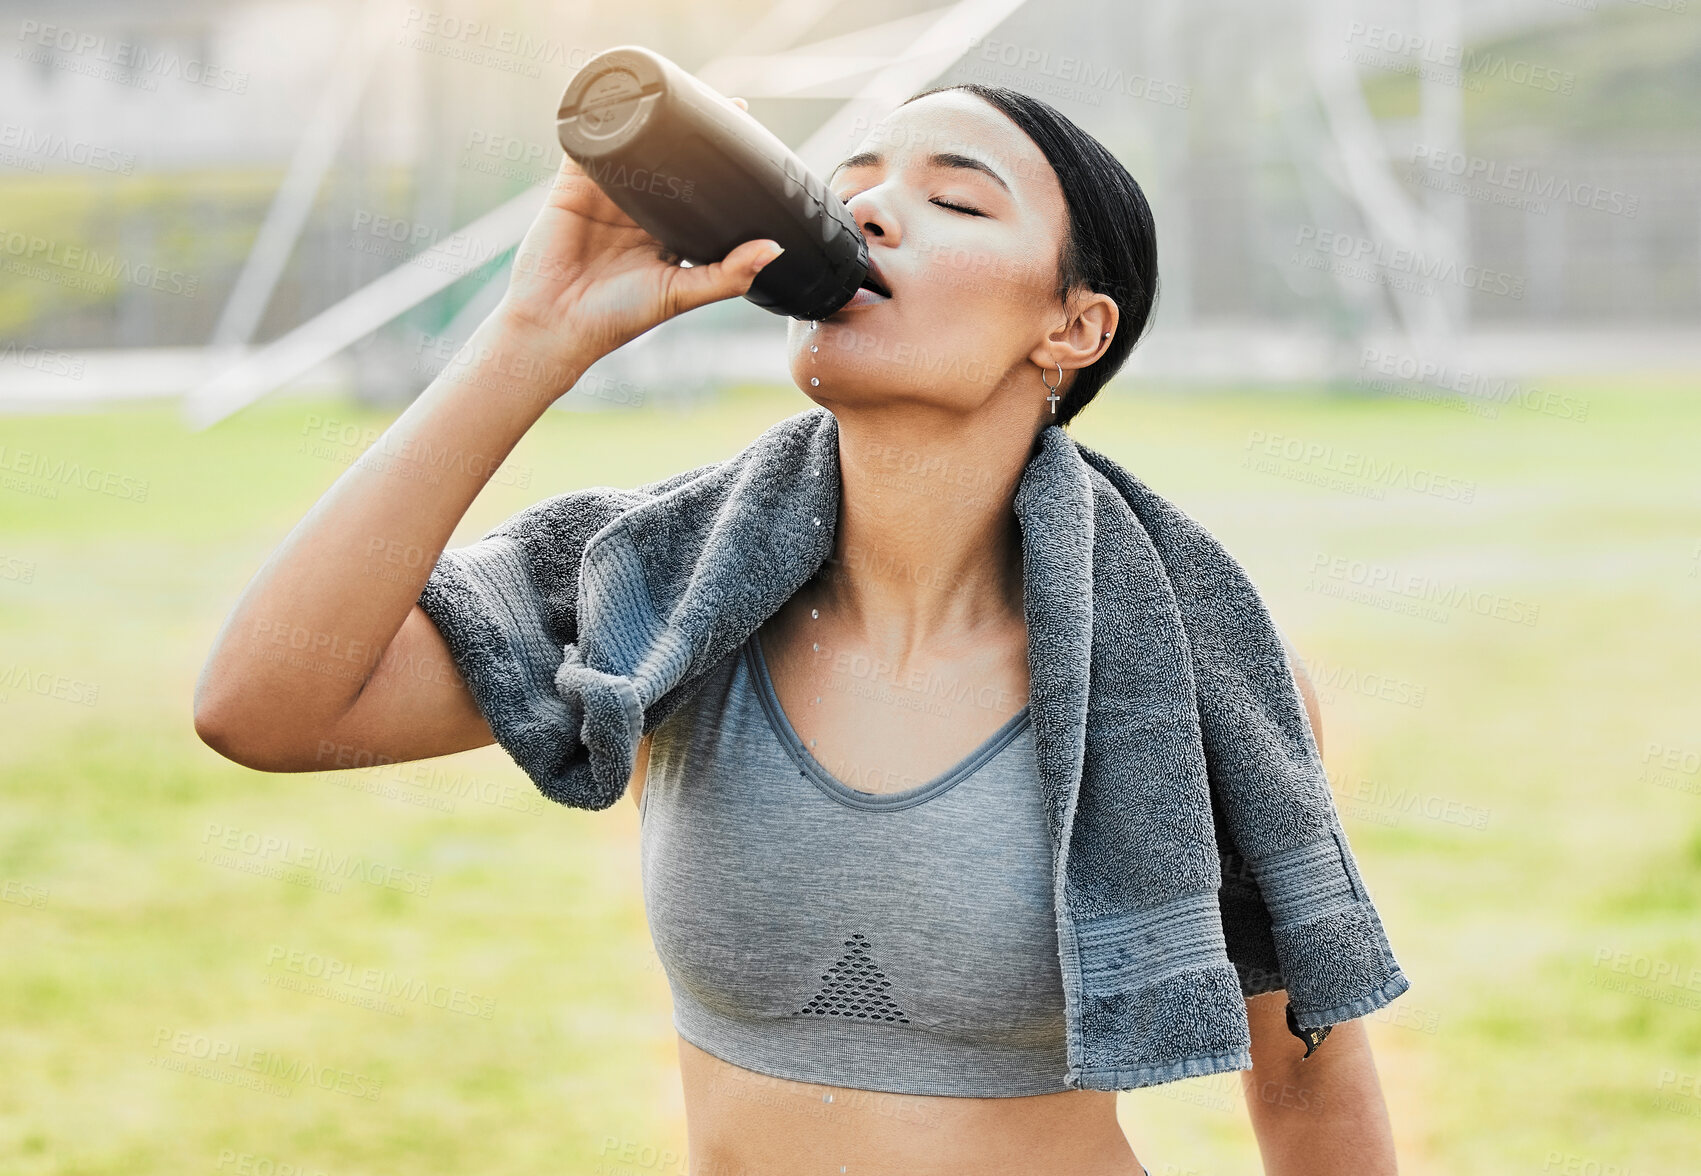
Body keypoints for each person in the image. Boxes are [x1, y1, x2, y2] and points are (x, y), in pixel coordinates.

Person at [195, 82, 1399, 1176]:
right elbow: (265, 708)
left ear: (1073, 329)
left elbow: (1308, 1094)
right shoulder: (670, 605)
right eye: (858, 183)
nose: (872, 212)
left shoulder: (1187, 668)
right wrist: (531, 341)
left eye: (955, 201)